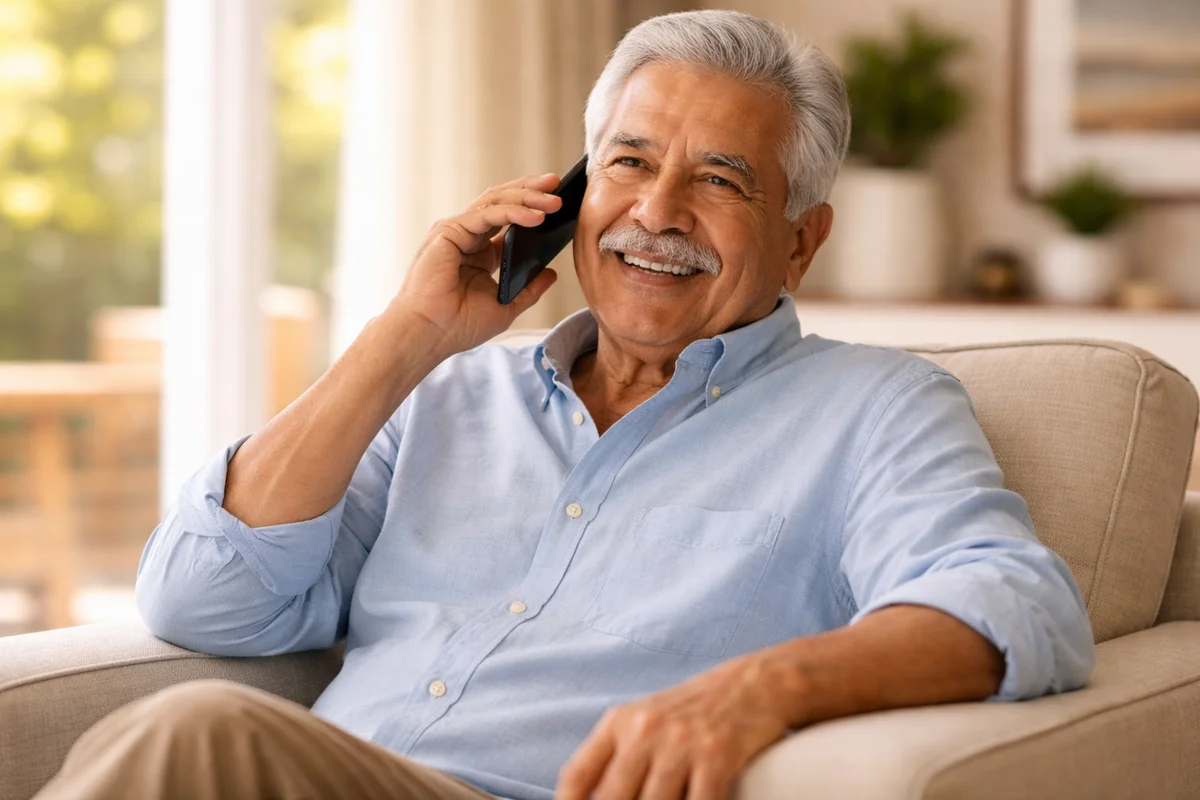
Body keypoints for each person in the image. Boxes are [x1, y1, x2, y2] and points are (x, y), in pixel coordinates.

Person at [36, 10, 1094, 800]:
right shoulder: (443, 392)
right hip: (350, 775)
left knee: (197, 734)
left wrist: (759, 688)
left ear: (803, 240)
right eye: (627, 162)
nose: (657, 211)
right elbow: (202, 597)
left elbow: (1018, 601)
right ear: (574, 192)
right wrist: (409, 333)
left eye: (722, 180)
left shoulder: (875, 408)